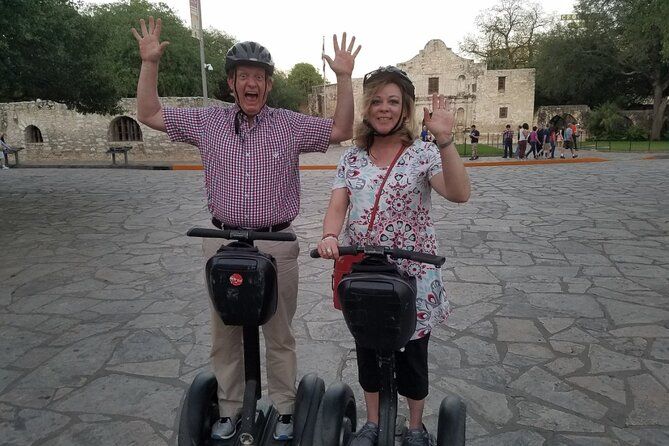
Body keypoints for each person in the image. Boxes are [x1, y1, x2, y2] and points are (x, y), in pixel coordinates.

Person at [131, 17, 360, 441]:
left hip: (275, 242)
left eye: (259, 77)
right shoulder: (208, 123)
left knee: (279, 331)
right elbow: (149, 113)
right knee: (225, 332)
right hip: (222, 242)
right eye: (243, 76)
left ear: (268, 85)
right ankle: (231, 407)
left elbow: (340, 130)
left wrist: (344, 78)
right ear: (231, 84)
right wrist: (149, 64)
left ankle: (287, 410)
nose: (251, 83)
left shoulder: (288, 124)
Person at [317, 66, 470, 446]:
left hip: (414, 274)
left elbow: (459, 193)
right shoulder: (352, 159)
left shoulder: (423, 154)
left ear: (405, 109)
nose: (384, 108)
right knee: (367, 350)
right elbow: (338, 205)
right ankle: (371, 422)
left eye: (393, 101)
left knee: (412, 355)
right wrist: (329, 235)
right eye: (377, 101)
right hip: (366, 270)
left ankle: (415, 427)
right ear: (367, 108)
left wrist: (446, 140)